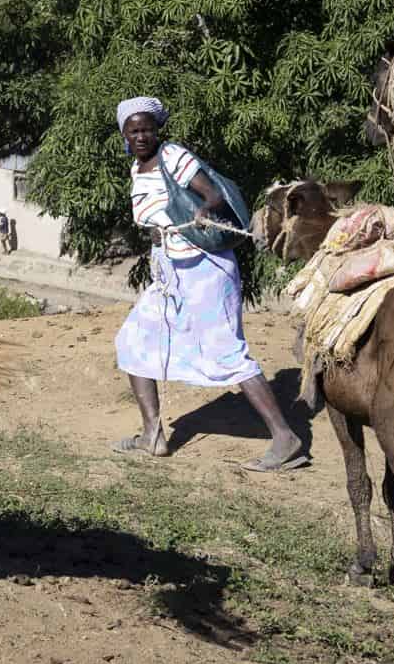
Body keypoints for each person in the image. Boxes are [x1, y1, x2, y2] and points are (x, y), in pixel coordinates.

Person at [110, 97, 305, 471]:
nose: (141, 136)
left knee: (227, 351)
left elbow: (212, 192)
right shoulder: (138, 169)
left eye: (147, 129)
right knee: (133, 340)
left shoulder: (174, 157)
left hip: (205, 269)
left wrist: (204, 210)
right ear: (124, 133)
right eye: (133, 130)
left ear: (157, 130)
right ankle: (152, 434)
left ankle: (286, 438)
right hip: (169, 270)